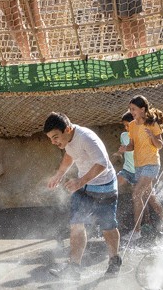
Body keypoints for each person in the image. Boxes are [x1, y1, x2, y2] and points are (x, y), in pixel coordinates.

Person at [44, 112, 122, 280]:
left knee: (107, 227)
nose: (53, 141)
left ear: (68, 129)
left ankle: (114, 260)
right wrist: (59, 175)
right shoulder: (68, 140)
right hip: (85, 187)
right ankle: (74, 268)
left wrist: (80, 181)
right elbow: (70, 154)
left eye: (55, 136)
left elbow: (102, 163)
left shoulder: (86, 138)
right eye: (50, 138)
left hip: (104, 187)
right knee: (76, 224)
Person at [119, 95, 163, 236]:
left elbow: (159, 145)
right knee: (150, 196)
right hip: (139, 166)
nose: (131, 111)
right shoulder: (132, 126)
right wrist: (125, 148)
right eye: (130, 109)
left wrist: (152, 136)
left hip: (152, 164)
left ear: (142, 109)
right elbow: (132, 145)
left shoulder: (152, 124)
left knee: (136, 194)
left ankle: (137, 231)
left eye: (133, 109)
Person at [114, 111, 138, 230]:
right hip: (127, 169)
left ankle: (148, 220)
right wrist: (119, 153)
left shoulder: (139, 134)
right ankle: (115, 220)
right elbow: (123, 149)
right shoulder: (124, 135)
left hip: (139, 171)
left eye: (128, 125)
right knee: (114, 187)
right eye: (125, 125)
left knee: (142, 198)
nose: (126, 127)